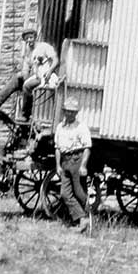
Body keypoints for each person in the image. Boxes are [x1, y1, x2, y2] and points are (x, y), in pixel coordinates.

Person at [0, 27, 59, 120]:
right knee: (17, 78)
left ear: (35, 37)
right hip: (36, 75)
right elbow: (26, 67)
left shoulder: (44, 47)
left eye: (31, 37)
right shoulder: (28, 51)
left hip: (46, 76)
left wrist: (50, 71)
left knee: (26, 86)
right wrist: (23, 74)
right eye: (27, 39)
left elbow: (56, 60)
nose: (29, 40)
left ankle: (26, 115)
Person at [54, 97, 92, 232]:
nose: (69, 114)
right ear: (64, 112)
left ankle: (87, 218)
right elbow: (57, 148)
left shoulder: (81, 127)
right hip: (65, 161)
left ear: (76, 113)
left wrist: (83, 165)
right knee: (65, 194)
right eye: (67, 111)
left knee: (79, 192)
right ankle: (82, 218)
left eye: (72, 112)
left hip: (76, 159)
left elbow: (87, 147)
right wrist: (58, 165)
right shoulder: (60, 127)